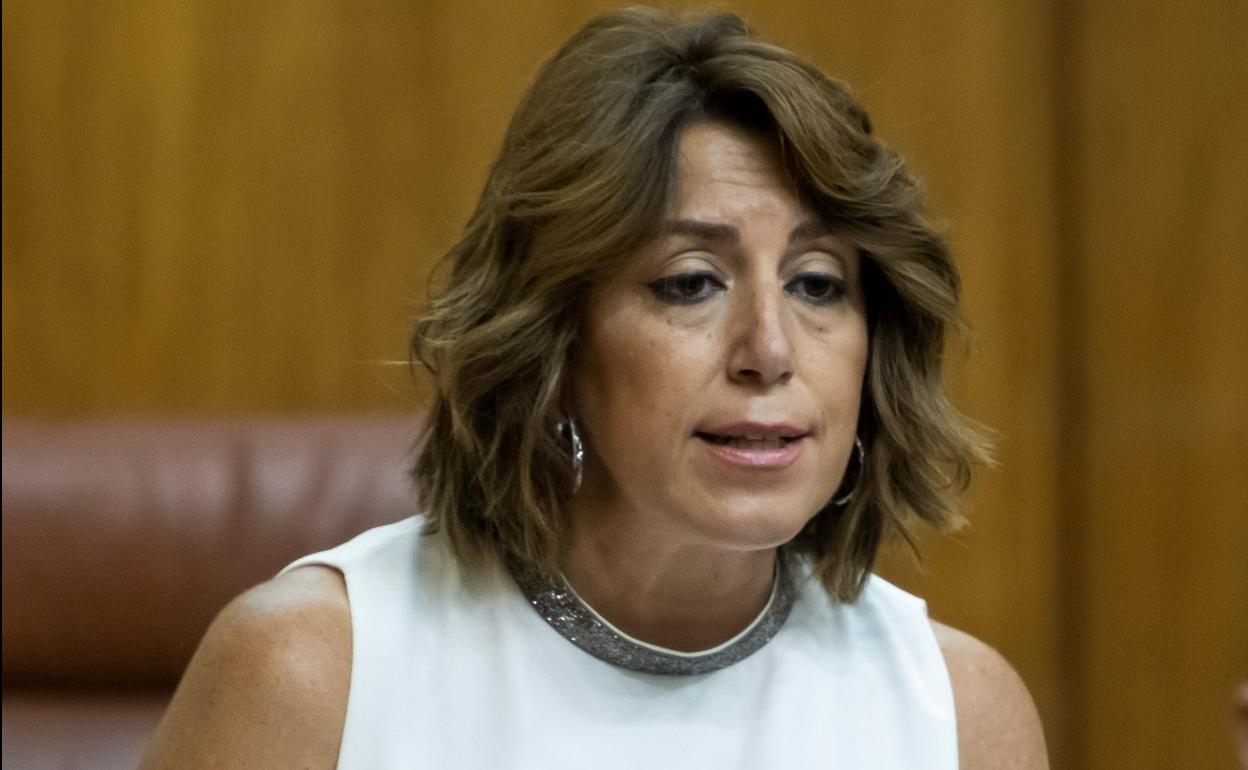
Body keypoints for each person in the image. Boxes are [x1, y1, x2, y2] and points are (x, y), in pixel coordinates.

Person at [142, 7, 1048, 768]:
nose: (770, 350)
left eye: (817, 284)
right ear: (555, 338)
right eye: (690, 282)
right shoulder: (313, 677)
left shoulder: (959, 718)